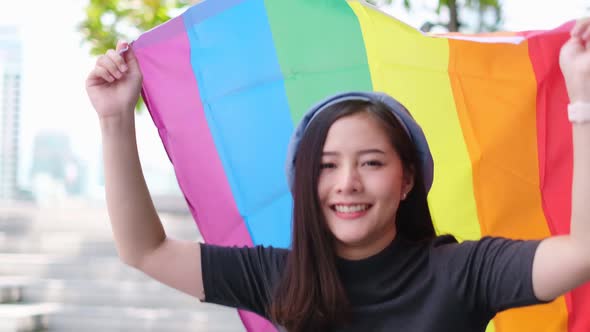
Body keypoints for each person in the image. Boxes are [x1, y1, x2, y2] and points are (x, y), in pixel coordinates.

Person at [85, 18, 590, 332]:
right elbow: (145, 251)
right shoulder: (281, 278)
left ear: (407, 180)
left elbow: (581, 253)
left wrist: (582, 100)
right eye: (326, 166)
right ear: (305, 182)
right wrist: (114, 119)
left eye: (371, 162)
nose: (347, 182)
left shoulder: (464, 272)